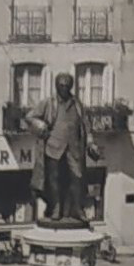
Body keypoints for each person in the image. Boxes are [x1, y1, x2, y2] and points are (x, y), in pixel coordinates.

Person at [25, 72, 100, 223]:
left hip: (74, 148)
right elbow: (30, 116)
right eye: (61, 85)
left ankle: (77, 209)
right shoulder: (49, 102)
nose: (64, 88)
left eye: (67, 86)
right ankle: (56, 207)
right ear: (56, 86)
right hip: (53, 147)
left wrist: (91, 143)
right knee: (54, 179)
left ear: (71, 86)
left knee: (77, 178)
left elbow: (86, 126)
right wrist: (40, 125)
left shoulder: (77, 104)